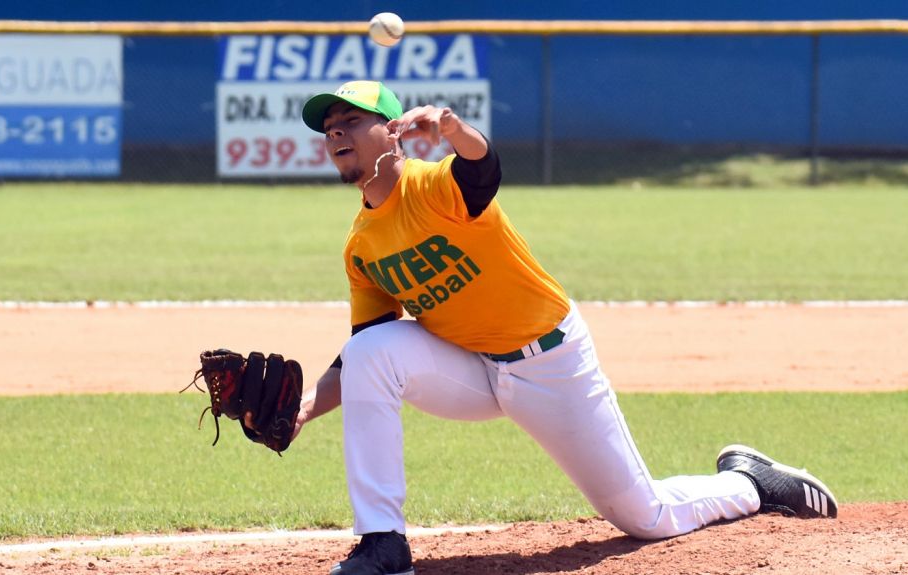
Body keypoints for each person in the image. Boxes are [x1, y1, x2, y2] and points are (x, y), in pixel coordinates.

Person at [291, 80, 838, 575]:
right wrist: (304, 409)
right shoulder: (361, 246)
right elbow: (365, 352)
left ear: (392, 132)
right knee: (372, 352)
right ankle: (382, 544)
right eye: (329, 124)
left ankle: (750, 482)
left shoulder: (436, 188)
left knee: (645, 517)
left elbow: (481, 169)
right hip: (472, 370)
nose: (336, 129)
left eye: (353, 118)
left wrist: (455, 129)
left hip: (549, 362)